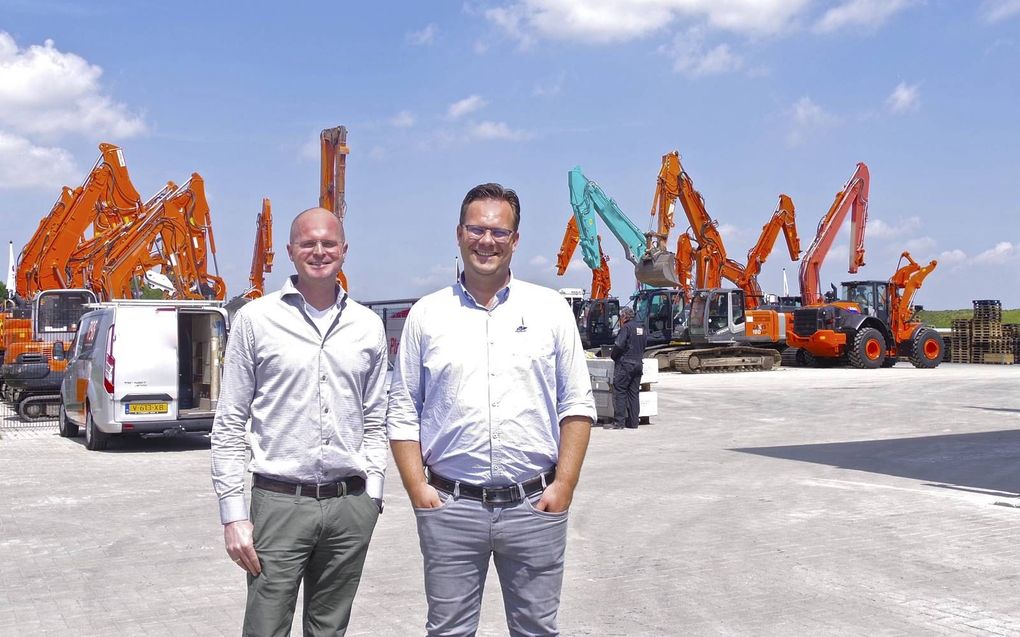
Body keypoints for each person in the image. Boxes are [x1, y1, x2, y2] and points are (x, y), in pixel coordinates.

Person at [387, 183, 596, 637]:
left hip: (533, 506)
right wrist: (418, 491)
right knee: (448, 631)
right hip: (451, 507)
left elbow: (577, 404)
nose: (487, 241)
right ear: (459, 233)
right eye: (477, 229)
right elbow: (402, 408)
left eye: (499, 232)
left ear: (515, 240)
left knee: (537, 630)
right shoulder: (427, 315)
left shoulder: (550, 309)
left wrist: (564, 486)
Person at [211, 207, 387, 636]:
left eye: (329, 243)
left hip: (350, 505)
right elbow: (230, 421)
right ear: (291, 251)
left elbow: (377, 417)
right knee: (266, 627)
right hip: (279, 505)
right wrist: (234, 515)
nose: (319, 251)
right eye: (308, 243)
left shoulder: (367, 326)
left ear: (344, 250)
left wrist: (374, 495)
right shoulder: (256, 320)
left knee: (330, 628)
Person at [608, 306, 647, 430]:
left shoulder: (626, 328)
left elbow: (619, 345)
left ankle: (619, 422)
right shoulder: (641, 327)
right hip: (638, 364)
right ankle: (634, 422)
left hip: (626, 364)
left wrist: (613, 357)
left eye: (620, 317)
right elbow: (644, 345)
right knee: (634, 393)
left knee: (620, 391)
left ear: (624, 317)